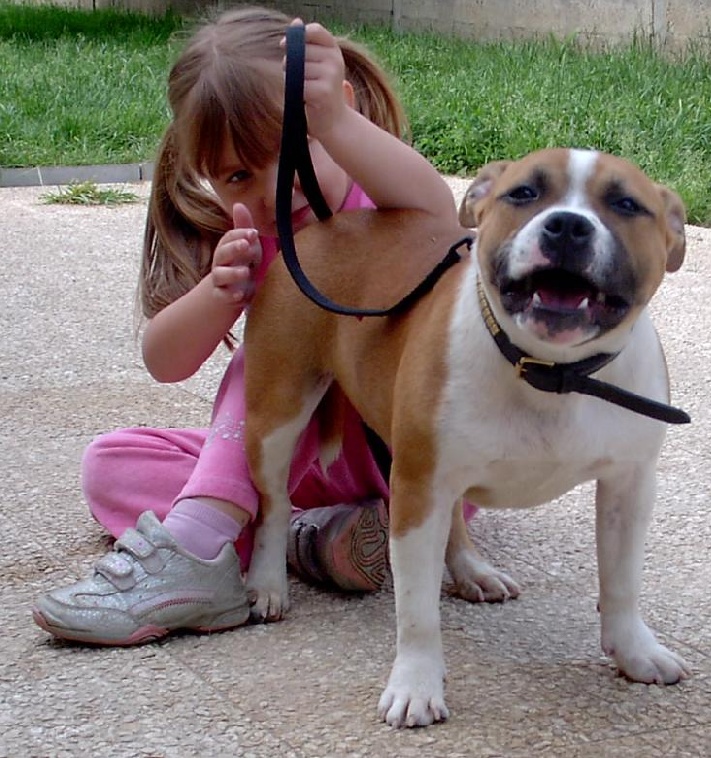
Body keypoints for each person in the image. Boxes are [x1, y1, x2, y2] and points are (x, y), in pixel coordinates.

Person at [32, 5, 472, 647]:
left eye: (295, 150)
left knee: (258, 359)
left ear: (338, 119)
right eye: (239, 174)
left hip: (393, 455)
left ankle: (204, 543)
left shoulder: (378, 205)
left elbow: (439, 211)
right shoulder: (242, 238)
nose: (275, 186)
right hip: (282, 464)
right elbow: (165, 361)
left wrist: (337, 124)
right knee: (110, 463)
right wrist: (217, 294)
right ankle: (312, 539)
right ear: (202, 174)